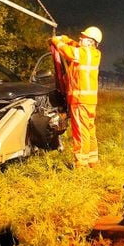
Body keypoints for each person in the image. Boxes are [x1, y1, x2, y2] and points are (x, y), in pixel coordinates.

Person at [50, 27, 102, 169]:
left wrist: (57, 41)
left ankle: (81, 165)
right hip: (89, 101)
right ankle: (93, 161)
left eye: (83, 37)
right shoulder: (92, 53)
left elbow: (68, 51)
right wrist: (67, 39)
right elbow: (74, 46)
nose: (80, 39)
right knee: (89, 130)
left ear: (91, 42)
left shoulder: (84, 53)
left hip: (80, 100)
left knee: (80, 132)